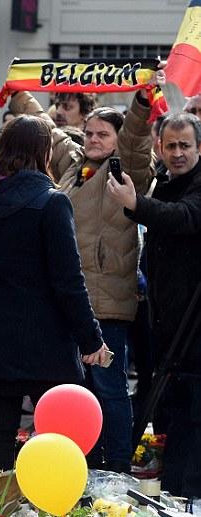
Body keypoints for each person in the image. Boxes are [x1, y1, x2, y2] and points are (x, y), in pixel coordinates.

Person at [0, 116, 109, 472]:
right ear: (44, 152)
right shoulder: (52, 203)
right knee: (58, 433)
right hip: (47, 342)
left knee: (0, 430)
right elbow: (69, 281)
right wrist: (91, 339)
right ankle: (55, 516)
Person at [55, 90, 155, 472]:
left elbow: (134, 139)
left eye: (102, 135)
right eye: (89, 133)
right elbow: (51, 133)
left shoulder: (124, 168)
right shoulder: (74, 168)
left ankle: (116, 469)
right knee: (80, 393)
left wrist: (143, 103)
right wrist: (19, 93)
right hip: (74, 303)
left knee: (110, 390)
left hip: (108, 305)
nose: (93, 140)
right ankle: (85, 464)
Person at [107, 112, 201, 500]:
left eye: (186, 146)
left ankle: (188, 495)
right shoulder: (164, 180)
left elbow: (185, 217)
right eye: (171, 145)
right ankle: (174, 492)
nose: (178, 153)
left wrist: (136, 205)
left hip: (194, 327)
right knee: (174, 414)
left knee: (193, 417)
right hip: (166, 320)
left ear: (199, 148)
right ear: (160, 146)